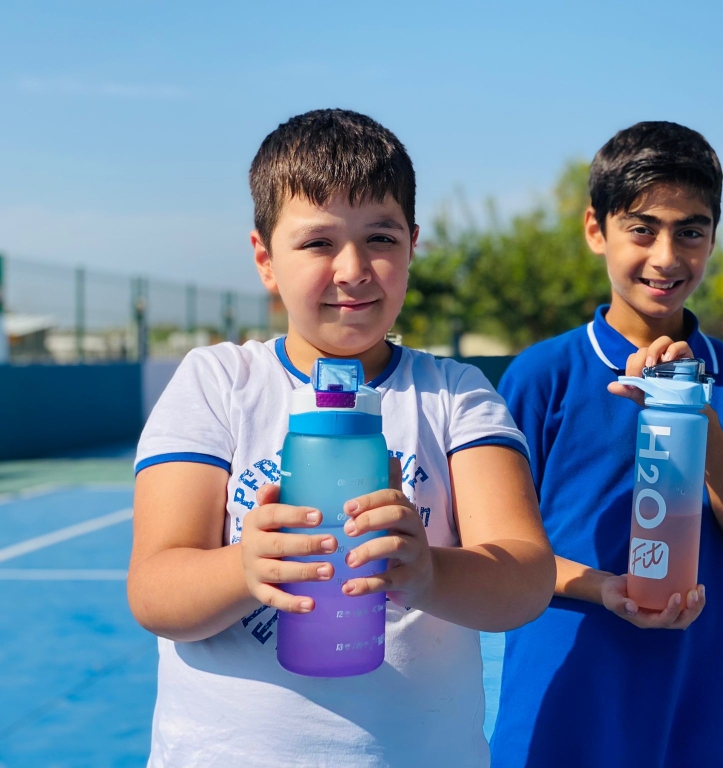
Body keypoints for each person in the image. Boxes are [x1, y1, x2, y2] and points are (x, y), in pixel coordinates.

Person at [127, 109, 555, 768]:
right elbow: (155, 590)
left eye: (380, 237)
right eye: (318, 242)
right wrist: (246, 567)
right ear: (265, 259)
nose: (353, 269)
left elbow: (525, 577)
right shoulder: (217, 382)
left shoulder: (456, 395)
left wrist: (428, 572)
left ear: (412, 246)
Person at [490, 121, 723, 768]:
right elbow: (497, 549)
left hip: (703, 705)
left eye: (691, 232)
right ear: (595, 230)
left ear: (713, 237)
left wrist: (693, 417)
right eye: (642, 229)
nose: (666, 257)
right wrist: (603, 587)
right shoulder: (542, 377)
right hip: (567, 697)